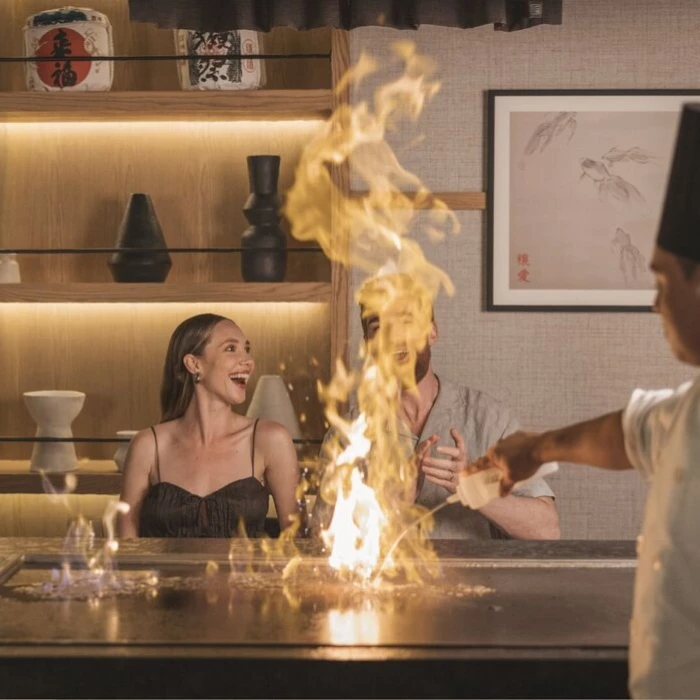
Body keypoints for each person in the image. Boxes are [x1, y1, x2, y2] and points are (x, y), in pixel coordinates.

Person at [466, 104, 700, 699]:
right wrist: (533, 449)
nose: (655, 303)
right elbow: (628, 431)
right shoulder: (686, 409)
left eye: (662, 280)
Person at [312, 273, 560, 540]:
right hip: (383, 581)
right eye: (378, 327)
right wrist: (391, 505)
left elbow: (547, 530)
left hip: (477, 580)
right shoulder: (347, 435)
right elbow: (321, 540)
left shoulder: (489, 420)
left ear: (432, 332)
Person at [118, 313, 300, 538]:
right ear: (194, 364)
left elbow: (297, 539)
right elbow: (126, 547)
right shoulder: (148, 445)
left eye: (247, 349)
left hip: (248, 574)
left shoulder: (270, 439)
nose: (248, 361)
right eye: (231, 349)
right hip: (163, 574)